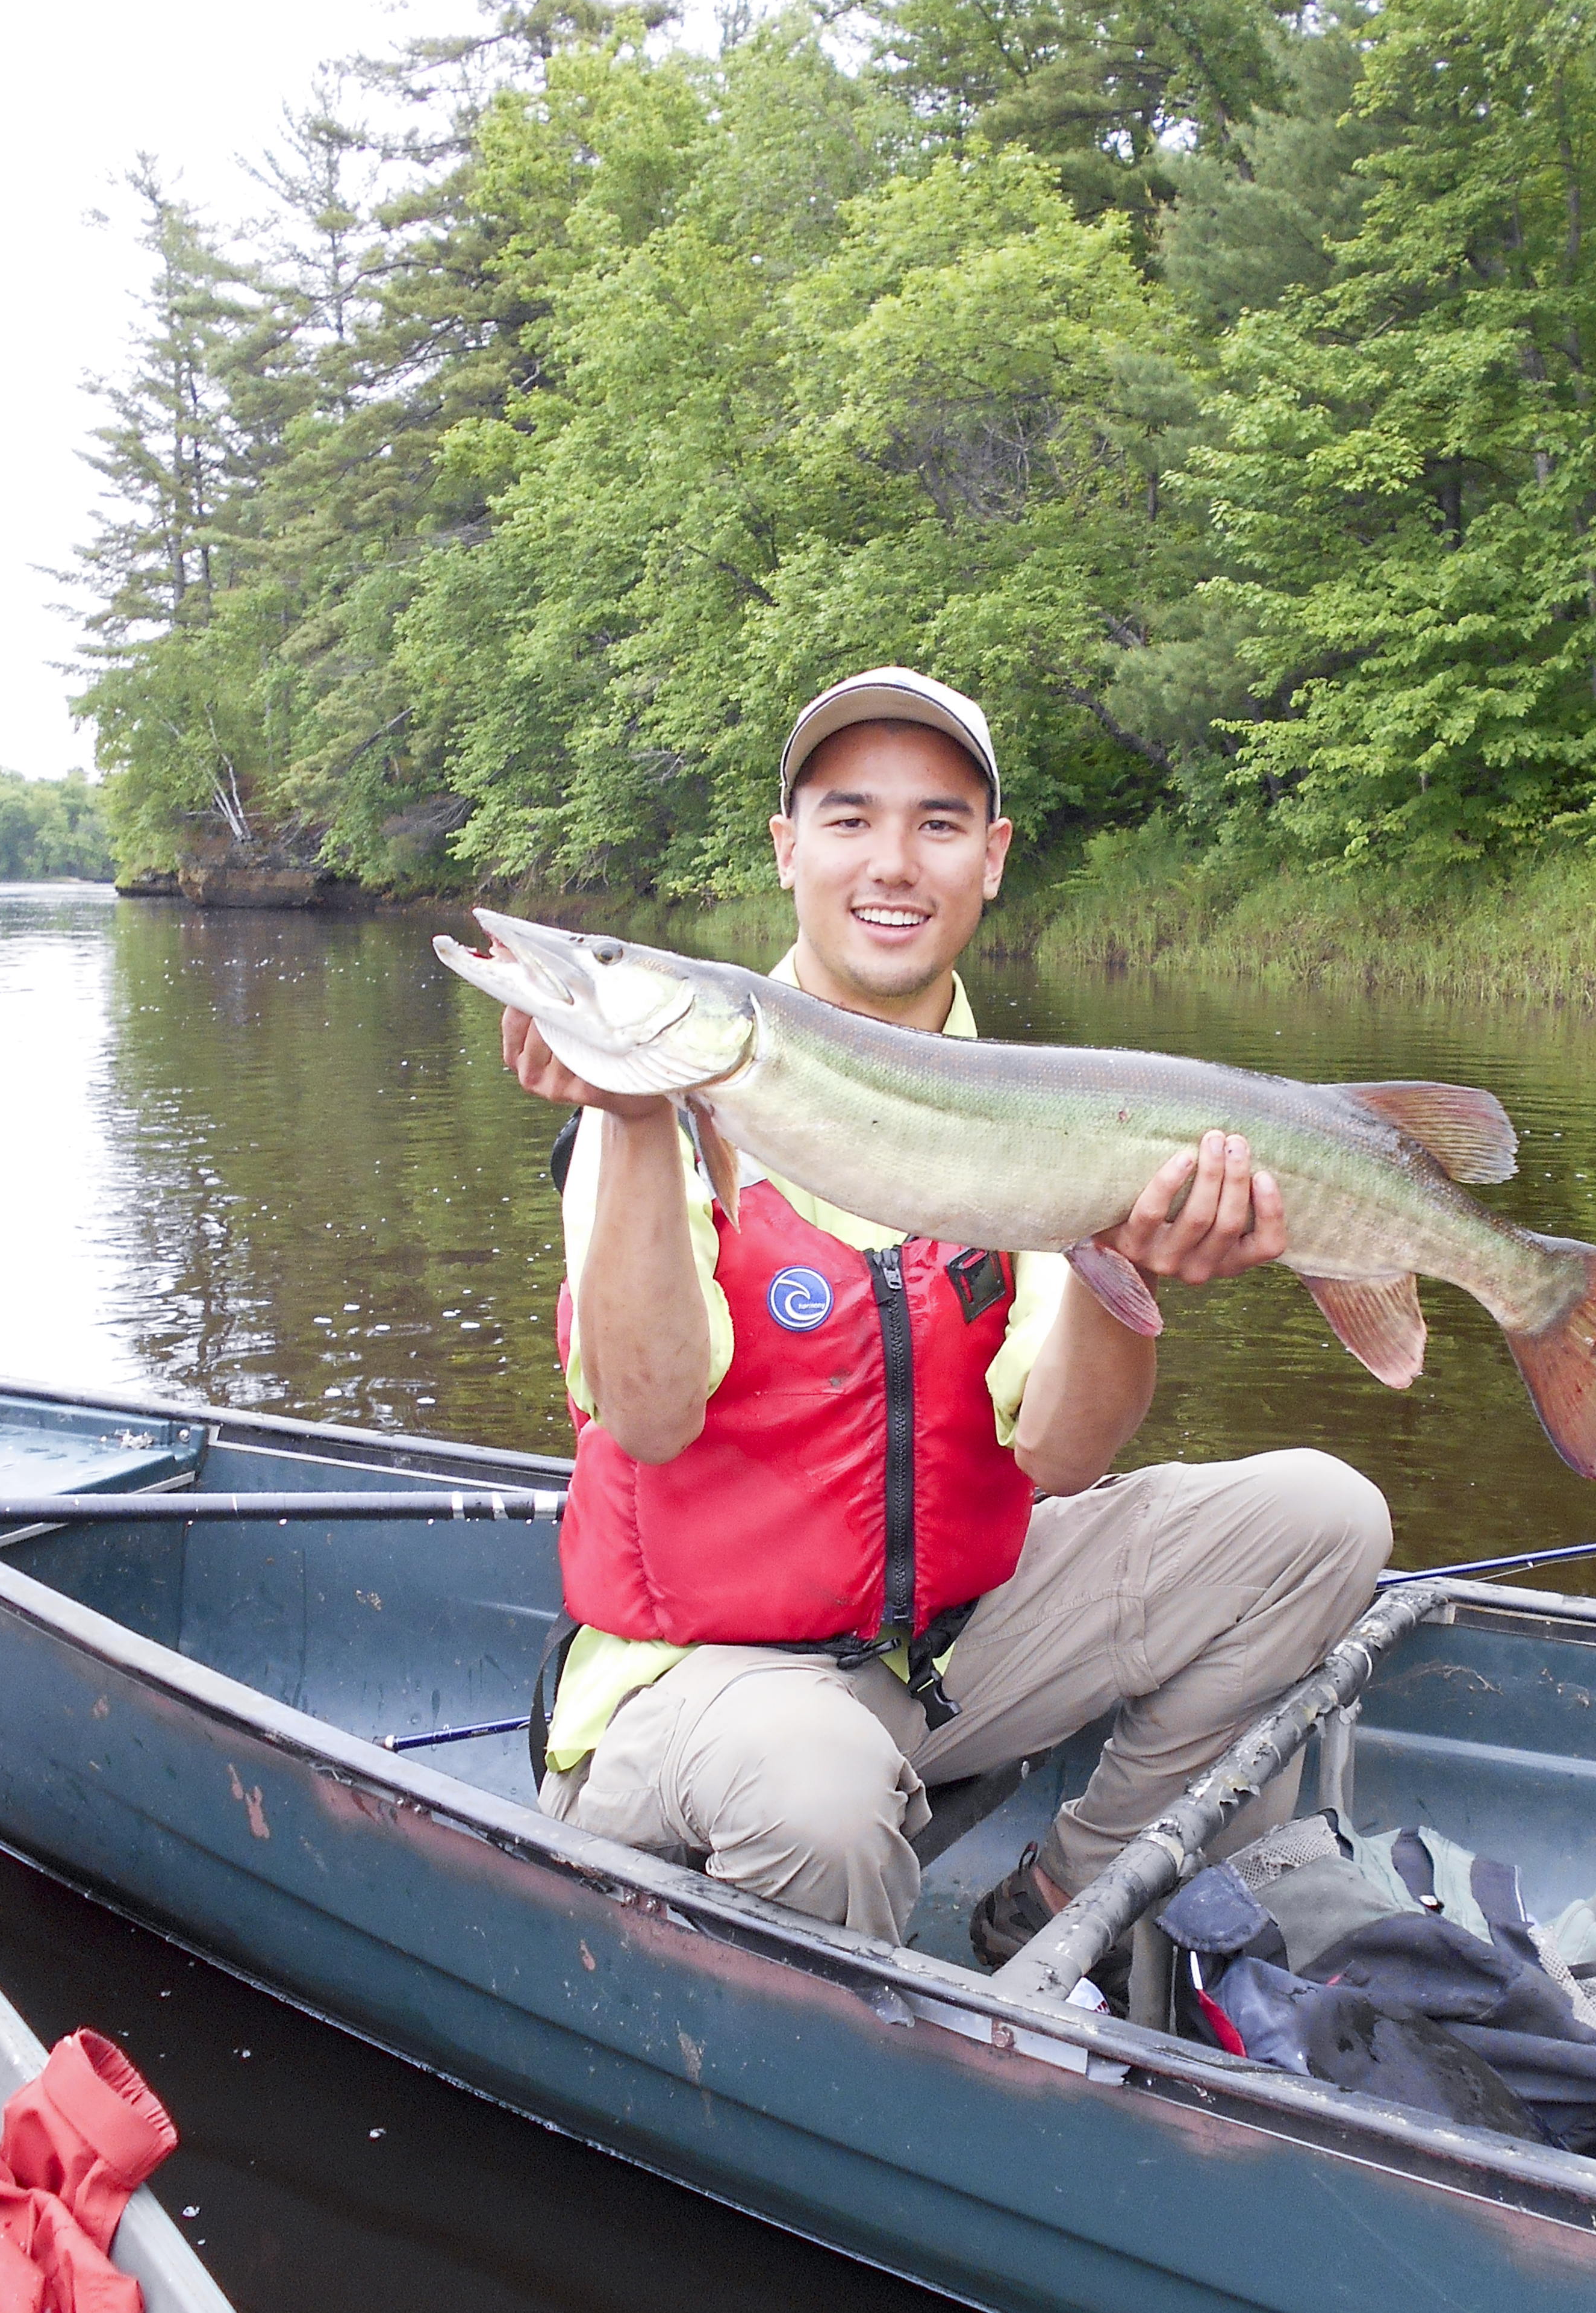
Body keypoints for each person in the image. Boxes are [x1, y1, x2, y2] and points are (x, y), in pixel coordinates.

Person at [500, 667, 1391, 1990]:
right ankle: (855, 2092)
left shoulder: (1041, 1106)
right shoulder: (662, 1110)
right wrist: (635, 1117)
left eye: (939, 821)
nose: (892, 863)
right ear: (787, 846)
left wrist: (1116, 1263)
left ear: (992, 858)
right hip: (698, 1688)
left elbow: (1065, 1459)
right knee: (818, 1789)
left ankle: (1064, 1896)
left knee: (1322, 1519)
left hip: (938, 1651)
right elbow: (647, 1415)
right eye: (850, 818)